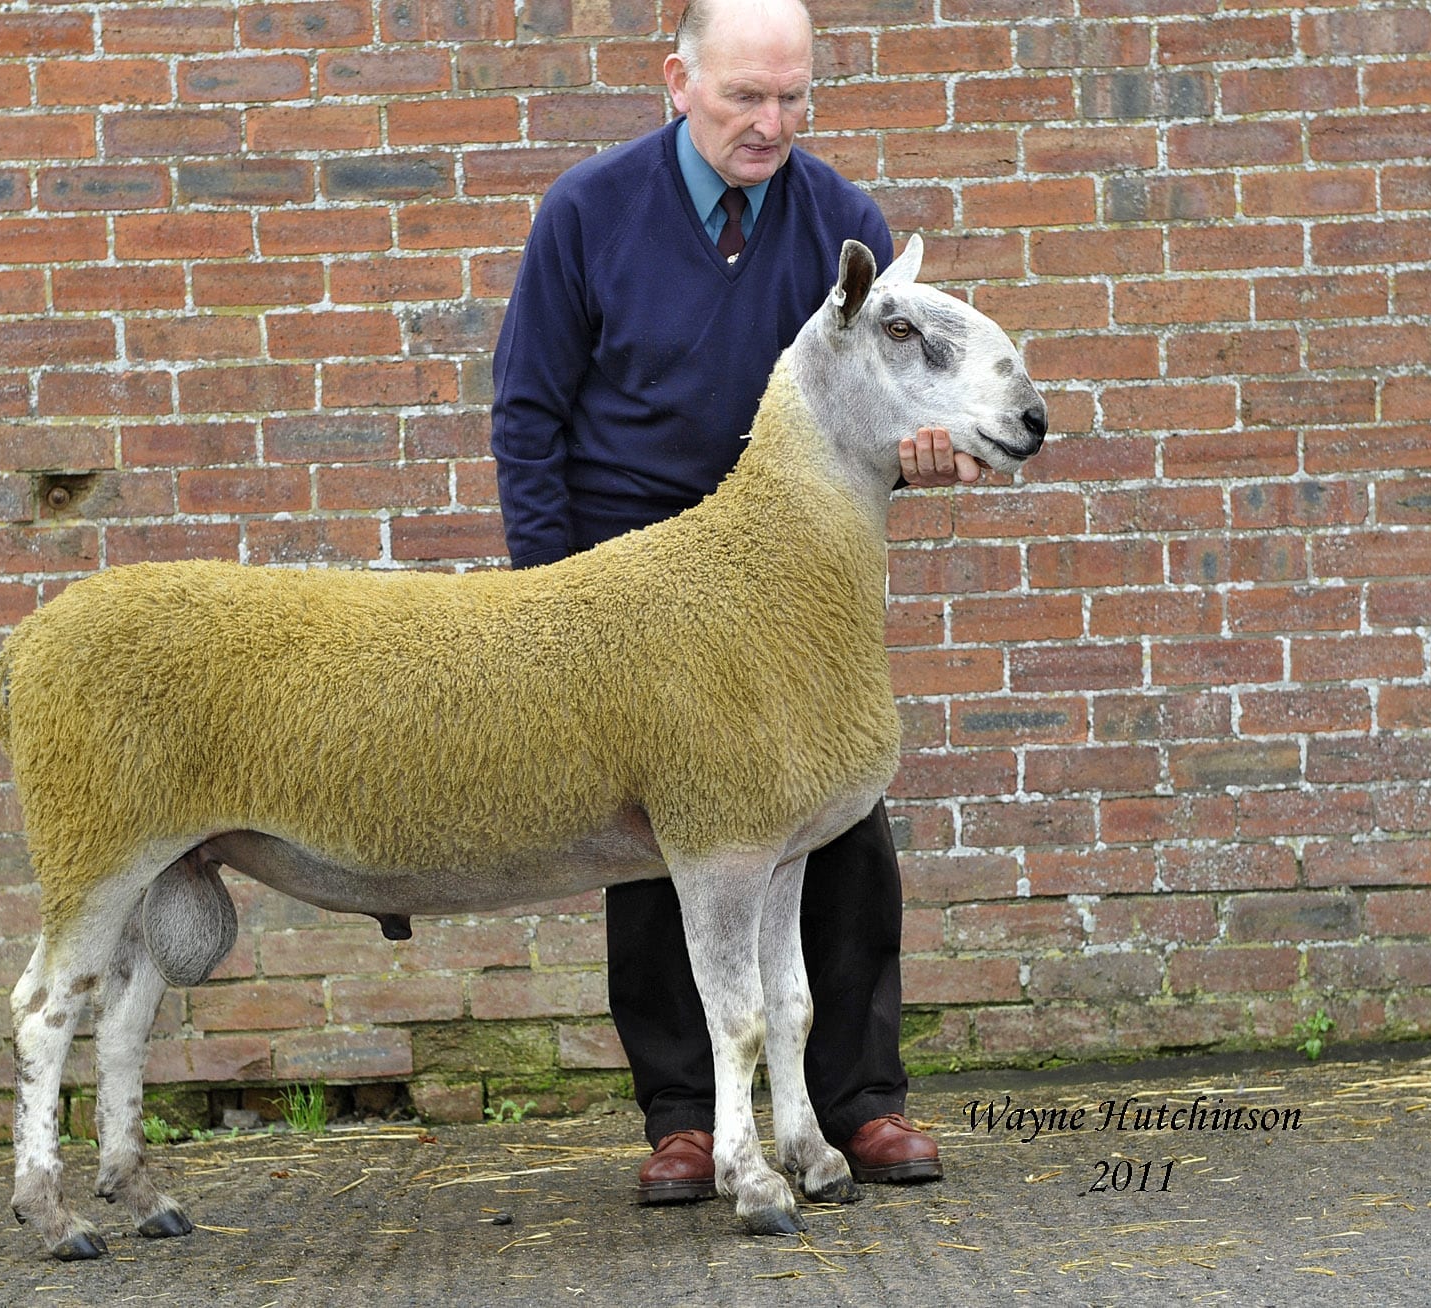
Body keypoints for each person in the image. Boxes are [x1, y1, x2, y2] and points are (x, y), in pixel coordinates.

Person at [489, 0, 978, 1204]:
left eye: (792, 98)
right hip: (629, 572)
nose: (770, 123)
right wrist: (548, 597)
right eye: (742, 97)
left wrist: (920, 450)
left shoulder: (842, 227)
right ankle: (686, 1120)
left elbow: (881, 404)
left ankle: (858, 1103)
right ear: (676, 81)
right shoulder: (586, 214)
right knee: (655, 843)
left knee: (838, 817)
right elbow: (527, 410)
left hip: (784, 577)